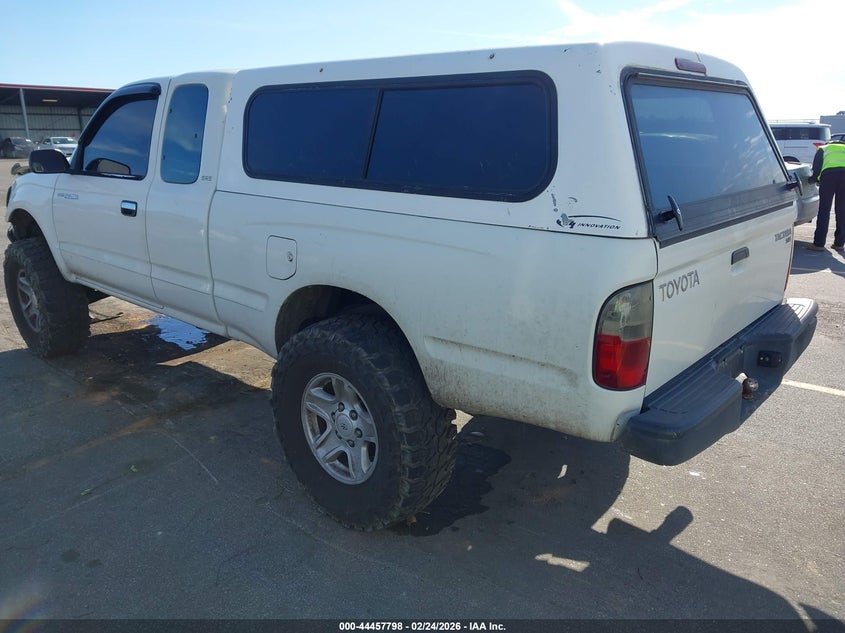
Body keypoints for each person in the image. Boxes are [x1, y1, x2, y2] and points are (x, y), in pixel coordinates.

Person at [808, 139, 845, 251]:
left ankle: (819, 244)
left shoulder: (823, 149)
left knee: (824, 210)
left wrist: (813, 179)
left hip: (828, 178)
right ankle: (839, 244)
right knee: (842, 211)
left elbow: (817, 168)